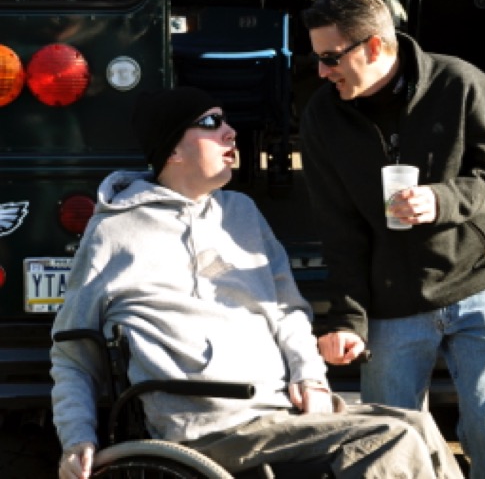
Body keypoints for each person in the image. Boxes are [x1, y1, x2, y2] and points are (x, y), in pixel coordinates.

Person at [50, 86, 464, 479]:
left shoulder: (242, 213)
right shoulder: (114, 233)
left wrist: (310, 376)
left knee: (418, 426)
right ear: (172, 150)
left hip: (277, 411)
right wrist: (76, 438)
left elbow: (287, 311)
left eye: (226, 120)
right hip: (207, 430)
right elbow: (72, 352)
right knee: (389, 440)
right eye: (210, 123)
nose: (230, 132)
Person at [300, 0, 485, 479]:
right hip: (392, 303)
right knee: (388, 440)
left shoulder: (460, 82)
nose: (322, 71)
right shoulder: (322, 117)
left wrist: (442, 200)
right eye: (316, 58)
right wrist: (348, 318)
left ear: (373, 46)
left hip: (478, 287)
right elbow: (338, 230)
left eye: (331, 58)